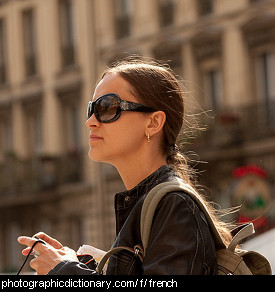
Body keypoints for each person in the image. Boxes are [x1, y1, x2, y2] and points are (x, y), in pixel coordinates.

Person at [18, 59, 232, 275]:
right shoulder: (150, 203)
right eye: (91, 109)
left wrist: (64, 270)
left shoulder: (174, 204)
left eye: (107, 107)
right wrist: (78, 264)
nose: (90, 121)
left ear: (153, 123)